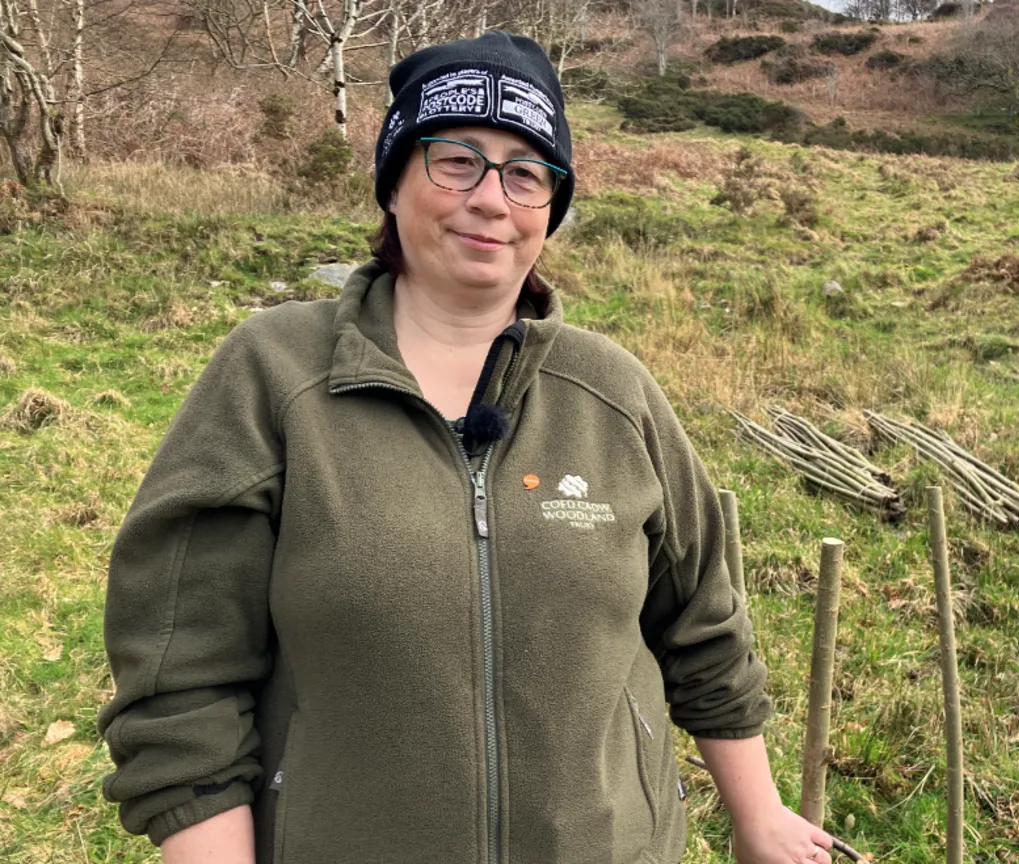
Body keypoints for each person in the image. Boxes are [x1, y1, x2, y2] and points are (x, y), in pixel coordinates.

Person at [96, 31, 836, 864]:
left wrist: (759, 813)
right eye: (457, 160)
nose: (491, 199)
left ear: (550, 208)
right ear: (395, 180)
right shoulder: (272, 377)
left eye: (526, 173)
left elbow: (702, 624)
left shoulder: (614, 393)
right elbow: (181, 674)